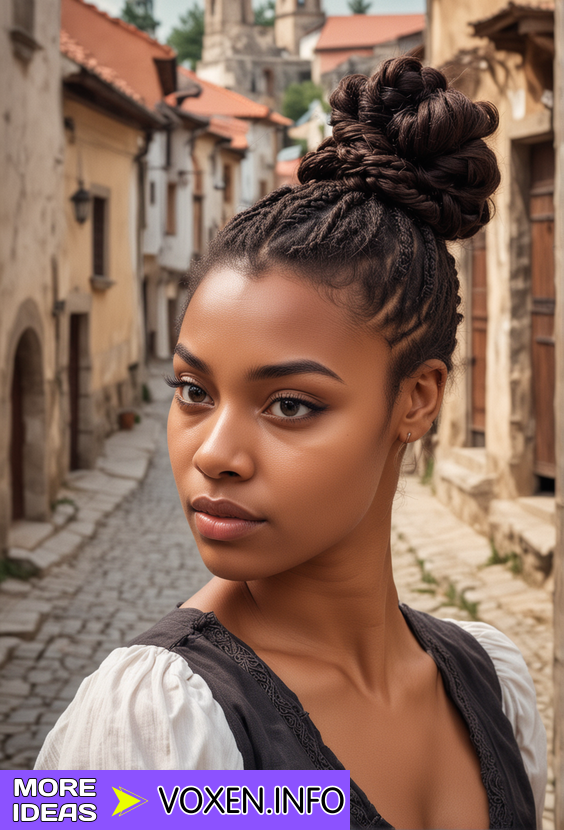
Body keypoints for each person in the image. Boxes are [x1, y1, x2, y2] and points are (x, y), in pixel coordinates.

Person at [36, 57, 546, 830]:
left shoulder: (492, 681)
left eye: (290, 404)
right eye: (194, 392)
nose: (215, 453)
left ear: (417, 399)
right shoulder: (160, 731)